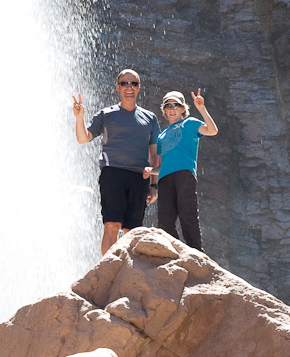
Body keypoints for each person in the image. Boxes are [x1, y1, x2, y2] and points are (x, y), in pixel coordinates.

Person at [73, 69, 161, 255]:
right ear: (118, 87)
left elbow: (154, 155)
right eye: (124, 83)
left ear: (139, 88)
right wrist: (79, 118)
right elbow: (83, 138)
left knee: (132, 230)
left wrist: (154, 186)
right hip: (113, 173)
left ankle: (128, 272)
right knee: (112, 225)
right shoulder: (107, 114)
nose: (129, 87)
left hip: (139, 176)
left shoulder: (150, 118)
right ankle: (108, 269)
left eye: (133, 84)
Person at [145, 89, 218, 250]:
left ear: (183, 108)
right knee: (164, 220)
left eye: (176, 105)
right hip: (165, 179)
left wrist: (201, 108)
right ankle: (175, 252)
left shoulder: (190, 123)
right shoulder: (161, 136)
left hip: (184, 174)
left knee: (187, 213)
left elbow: (212, 131)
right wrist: (151, 171)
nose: (172, 109)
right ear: (163, 109)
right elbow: (163, 165)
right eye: (168, 106)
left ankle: (196, 252)